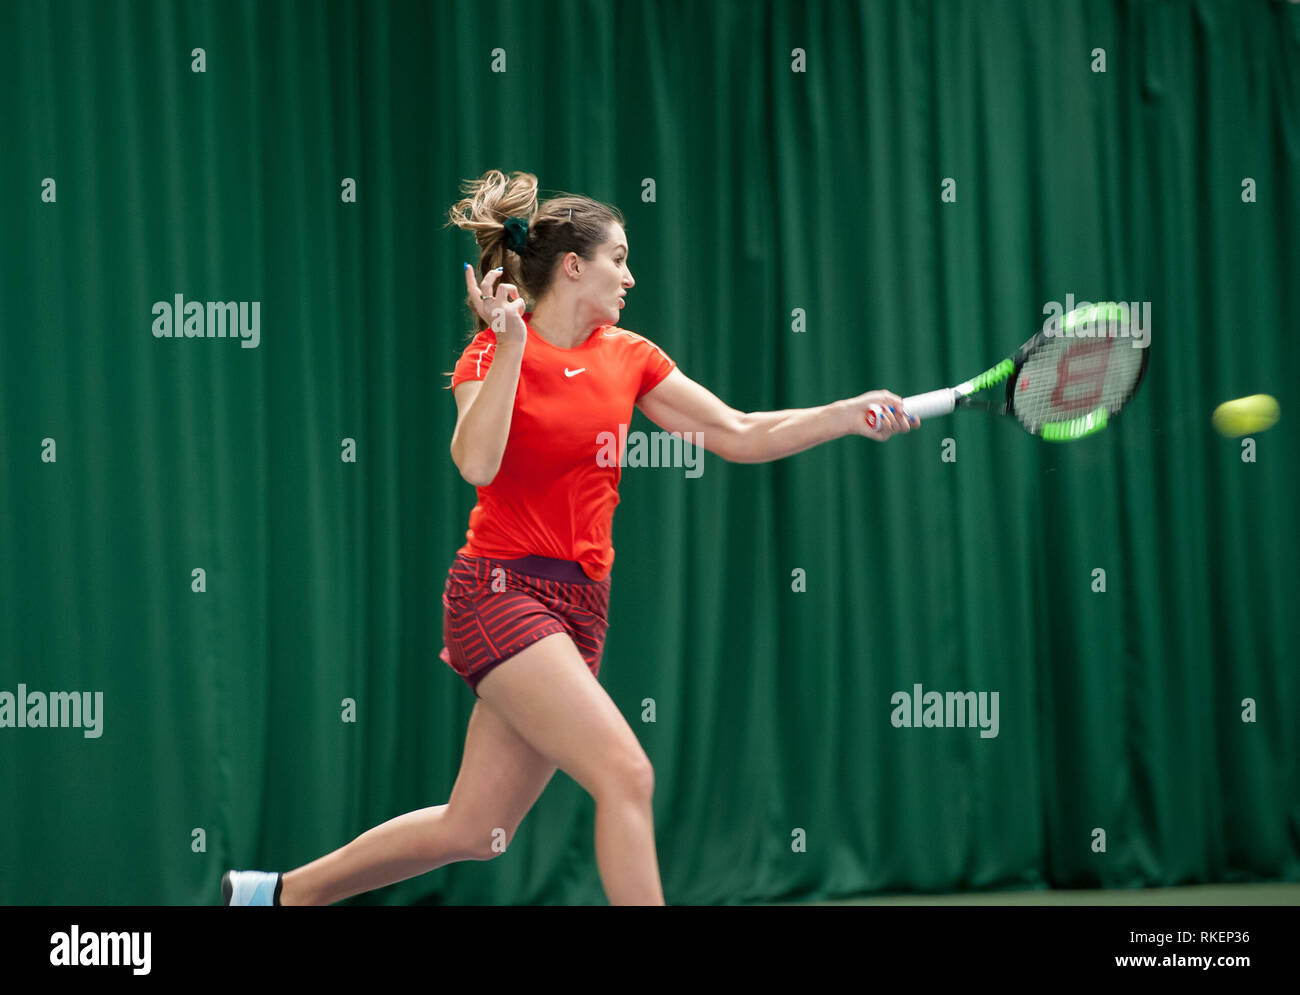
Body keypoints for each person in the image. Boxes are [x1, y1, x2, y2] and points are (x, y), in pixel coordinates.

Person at [221, 169, 915, 907]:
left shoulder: (629, 355)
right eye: (619, 257)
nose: (632, 275)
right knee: (627, 773)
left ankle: (273, 896)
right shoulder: (488, 357)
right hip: (499, 590)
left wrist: (844, 412)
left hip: (582, 604)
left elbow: (735, 431)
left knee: (476, 826)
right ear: (575, 265)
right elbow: (476, 462)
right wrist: (512, 342)